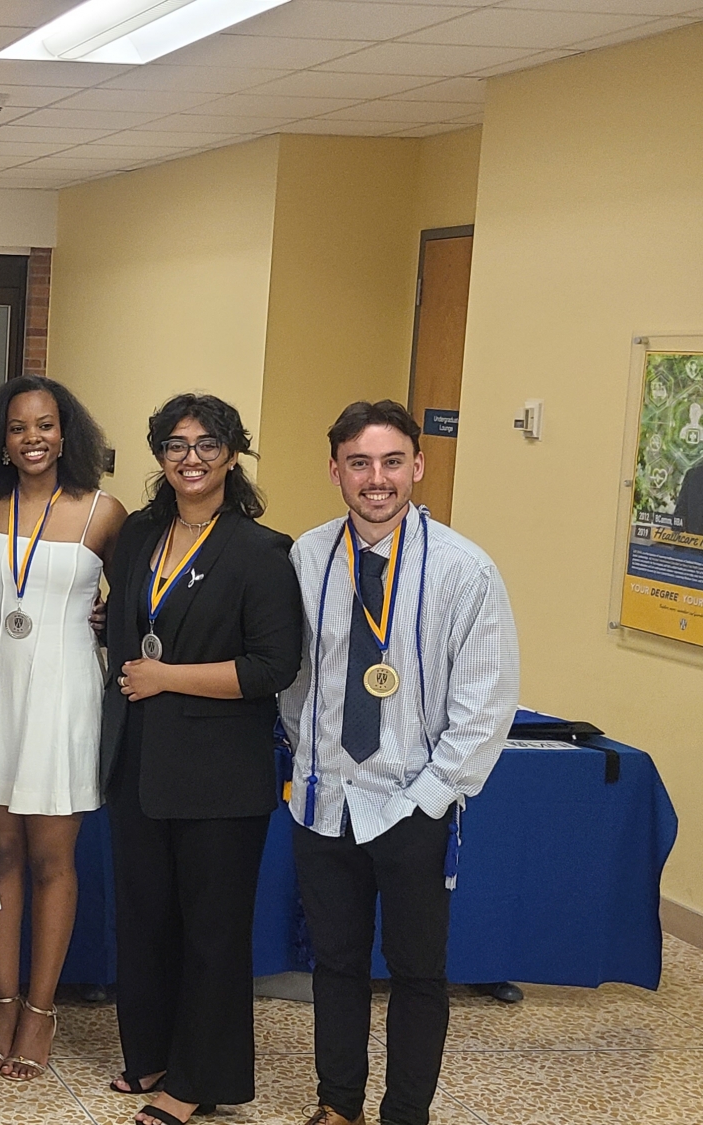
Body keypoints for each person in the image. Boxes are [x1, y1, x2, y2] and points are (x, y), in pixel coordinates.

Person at [280, 401, 519, 1125]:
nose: (375, 479)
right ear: (335, 471)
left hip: (414, 803)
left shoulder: (464, 569)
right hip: (324, 801)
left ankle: (404, 1112)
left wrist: (434, 795)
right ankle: (338, 1103)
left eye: (391, 462)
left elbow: (486, 702)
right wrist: (305, 762)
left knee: (418, 972)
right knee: (337, 964)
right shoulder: (308, 556)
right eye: (359, 463)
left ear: (417, 467)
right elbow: (295, 678)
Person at [100, 393, 304, 1125]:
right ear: (160, 455)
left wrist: (167, 676)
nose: (191, 457)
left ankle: (195, 1081)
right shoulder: (140, 535)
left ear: (232, 453)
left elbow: (273, 665)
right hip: (139, 763)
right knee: (145, 918)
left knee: (211, 935)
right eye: (176, 444)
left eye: (207, 444)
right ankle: (151, 1053)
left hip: (219, 775)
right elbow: (130, 616)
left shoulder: (261, 550)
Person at [0, 375, 127, 1080]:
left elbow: (144, 602)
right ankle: (1, 1000)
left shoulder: (104, 512)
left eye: (46, 425)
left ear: (67, 433)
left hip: (62, 693)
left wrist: (107, 619)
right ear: (2, 437)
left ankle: (42, 1007)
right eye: (20, 427)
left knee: (54, 858)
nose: (33, 438)